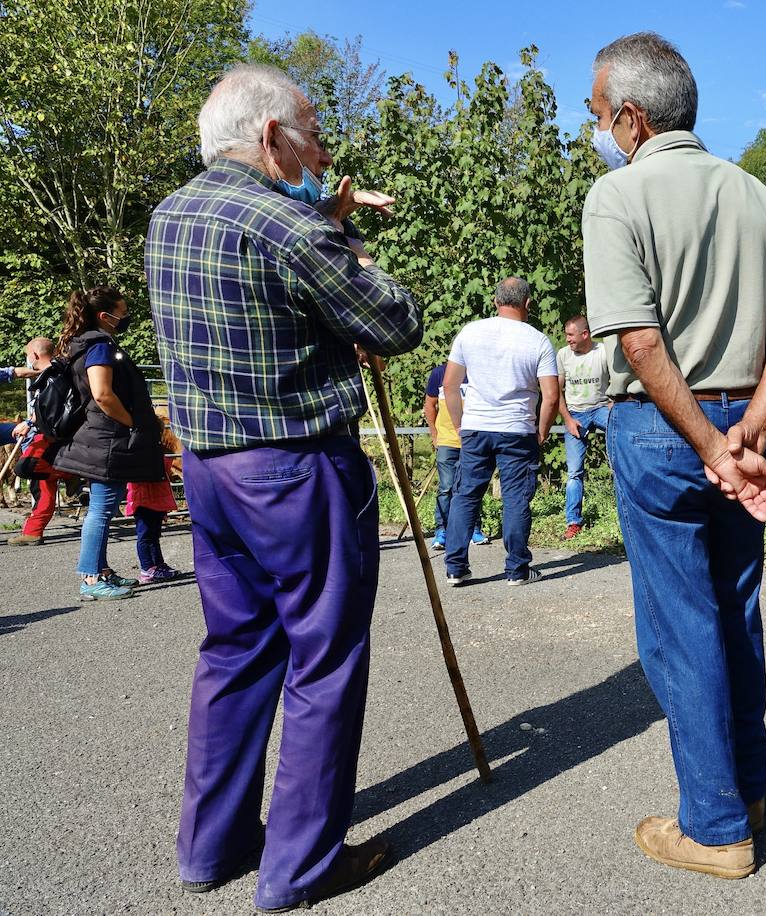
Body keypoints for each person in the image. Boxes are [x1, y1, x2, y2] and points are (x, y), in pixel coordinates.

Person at [147, 63, 421, 911]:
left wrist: (320, 216)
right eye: (312, 132)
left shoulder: (170, 214)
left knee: (234, 650)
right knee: (324, 656)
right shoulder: (289, 227)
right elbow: (394, 321)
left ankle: (211, 847)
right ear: (271, 136)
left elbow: (261, 298)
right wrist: (342, 238)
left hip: (209, 467)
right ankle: (301, 866)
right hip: (295, 470)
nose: (321, 150)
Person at [583, 33, 766, 879]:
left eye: (597, 110)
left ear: (634, 118)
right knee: (735, 609)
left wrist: (712, 441)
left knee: (681, 628)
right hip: (740, 424)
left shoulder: (617, 196)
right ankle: (748, 787)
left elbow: (641, 341)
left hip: (665, 428)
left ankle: (717, 828)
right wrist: (750, 426)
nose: (596, 124)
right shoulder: (758, 195)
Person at [50, 288, 166, 600]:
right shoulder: (98, 345)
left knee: (104, 507)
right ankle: (90, 578)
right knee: (101, 510)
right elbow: (102, 394)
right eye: (123, 311)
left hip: (101, 438)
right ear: (105, 316)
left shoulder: (87, 342)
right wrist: (133, 422)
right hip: (107, 439)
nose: (126, 316)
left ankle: (101, 571)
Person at [442, 277, 558, 586]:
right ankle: (517, 570)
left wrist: (459, 426)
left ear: (496, 302)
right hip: (518, 429)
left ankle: (455, 567)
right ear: (528, 304)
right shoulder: (539, 341)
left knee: (465, 496)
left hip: (477, 427)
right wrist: (541, 431)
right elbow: (552, 396)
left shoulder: (470, 332)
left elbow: (450, 386)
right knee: (516, 498)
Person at [8, 337, 69, 546]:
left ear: (34, 355)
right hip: (46, 434)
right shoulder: (49, 375)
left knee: (26, 467)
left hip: (54, 437)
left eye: (27, 355)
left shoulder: (57, 375)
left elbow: (54, 408)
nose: (27, 360)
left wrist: (29, 423)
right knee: (43, 484)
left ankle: (72, 473)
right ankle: (33, 531)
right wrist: (29, 422)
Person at [422, 362, 488, 551]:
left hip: (472, 440)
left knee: (472, 486)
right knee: (447, 487)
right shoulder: (440, 373)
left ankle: (474, 529)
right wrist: (434, 434)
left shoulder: (478, 371)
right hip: (447, 441)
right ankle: (441, 530)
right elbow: (430, 405)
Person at [556, 315, 611, 539]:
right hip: (575, 412)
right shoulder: (563, 355)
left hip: (600, 408)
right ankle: (573, 522)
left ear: (585, 334)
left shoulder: (603, 351)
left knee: (622, 445)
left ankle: (626, 512)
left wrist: (614, 403)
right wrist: (567, 419)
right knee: (574, 471)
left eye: (571, 335)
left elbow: (619, 378)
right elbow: (555, 391)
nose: (567, 339)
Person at [125, 419, 183, 584]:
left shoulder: (155, 451)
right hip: (143, 501)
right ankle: (147, 569)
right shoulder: (138, 453)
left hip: (156, 500)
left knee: (154, 535)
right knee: (145, 536)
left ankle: (158, 564)